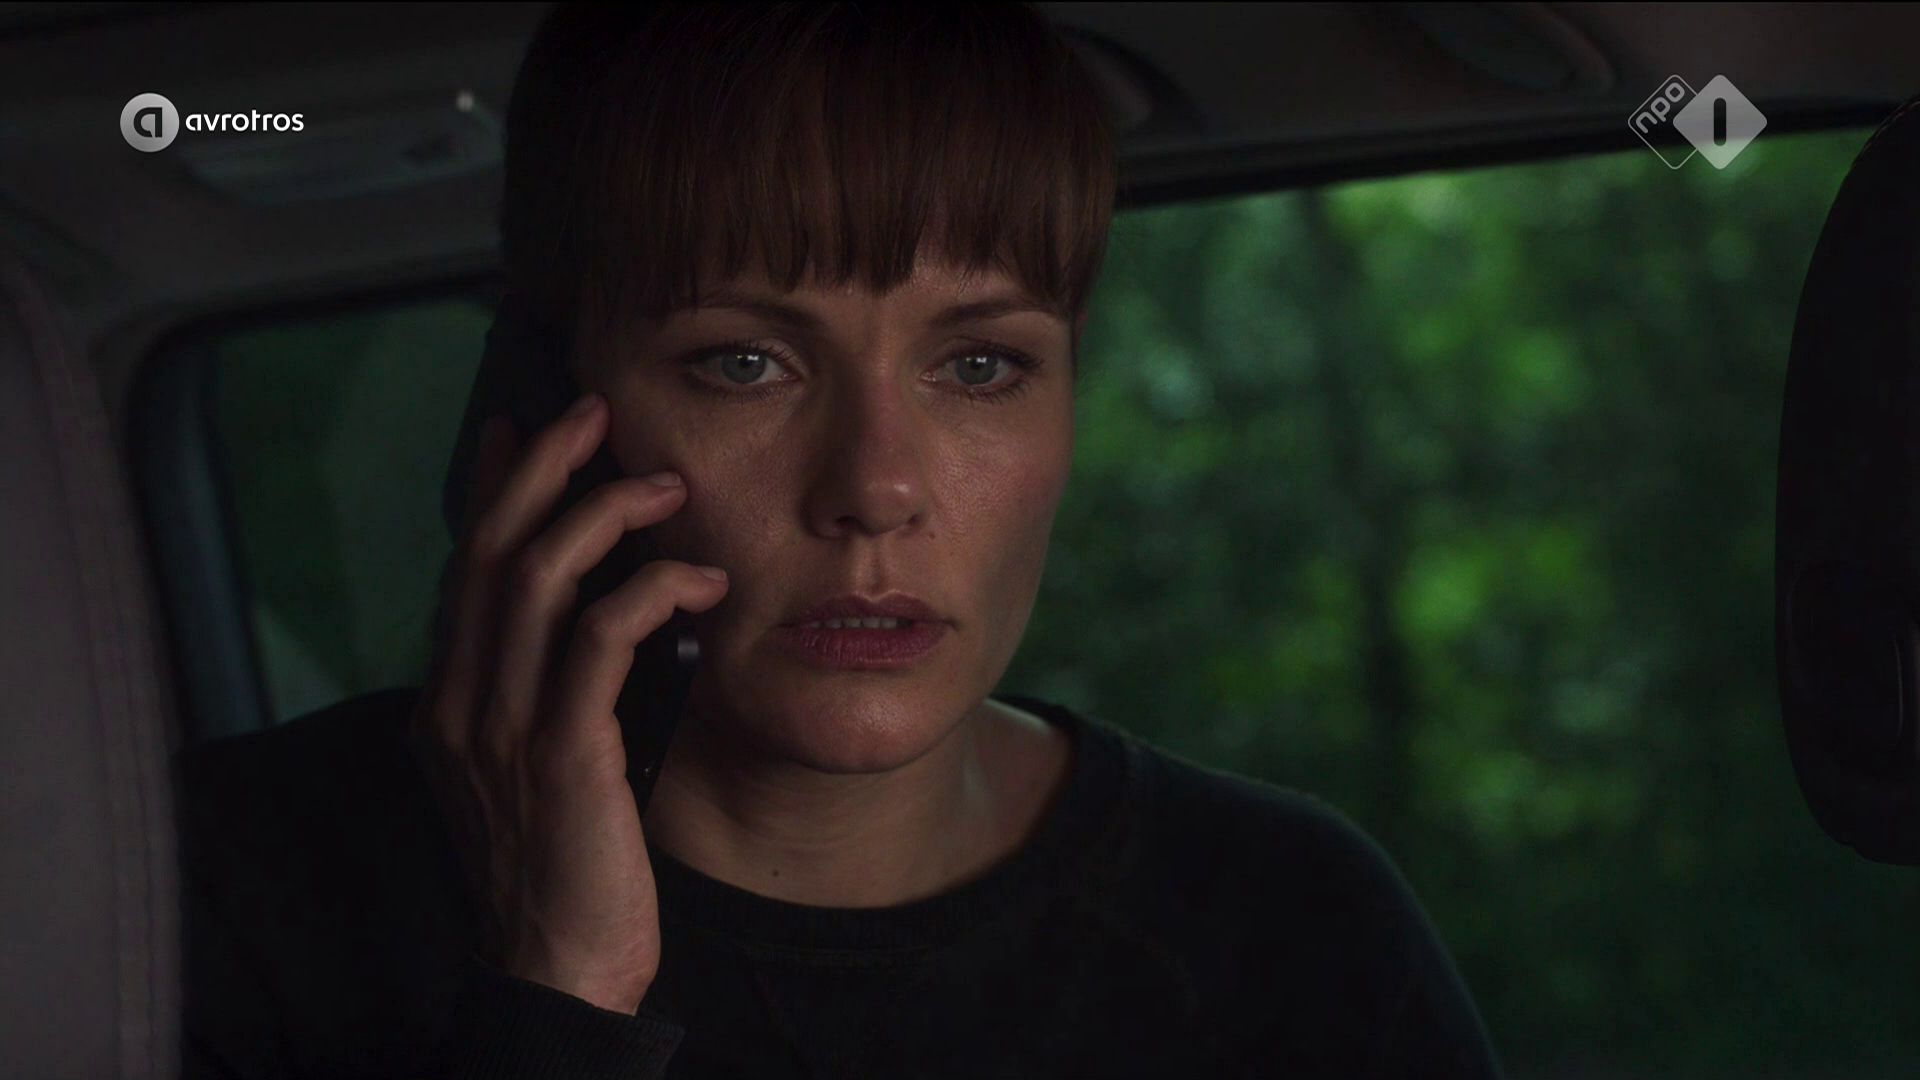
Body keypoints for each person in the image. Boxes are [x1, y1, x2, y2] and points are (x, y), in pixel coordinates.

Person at [178, 4, 1504, 1077]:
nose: (876, 487)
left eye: (978, 366)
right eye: (745, 363)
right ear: (532, 413)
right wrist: (557, 998)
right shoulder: (215, 893)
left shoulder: (1293, 930)